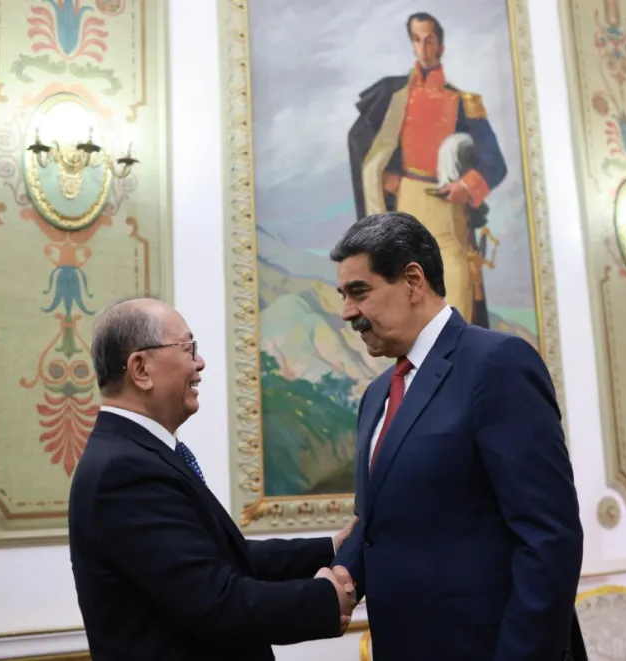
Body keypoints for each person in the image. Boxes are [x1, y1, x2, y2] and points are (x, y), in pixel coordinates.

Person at [329, 213, 587, 660]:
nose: (347, 312)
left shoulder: (498, 364)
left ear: (413, 280)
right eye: (344, 296)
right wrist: (330, 583)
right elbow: (376, 527)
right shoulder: (375, 397)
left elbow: (550, 537)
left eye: (359, 292)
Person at [68, 297, 357, 661]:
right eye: (189, 348)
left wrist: (331, 547)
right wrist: (324, 600)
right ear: (140, 369)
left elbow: (223, 557)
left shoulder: (138, 454)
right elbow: (214, 603)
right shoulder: (123, 472)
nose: (200, 363)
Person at [347, 11, 508, 328]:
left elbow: (494, 162)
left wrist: (467, 186)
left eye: (429, 40)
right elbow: (364, 140)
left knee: (456, 296)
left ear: (441, 46)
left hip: (449, 209)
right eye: (417, 40)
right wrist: (386, 176)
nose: (423, 47)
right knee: (409, 300)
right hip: (409, 204)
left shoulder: (463, 102)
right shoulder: (394, 95)